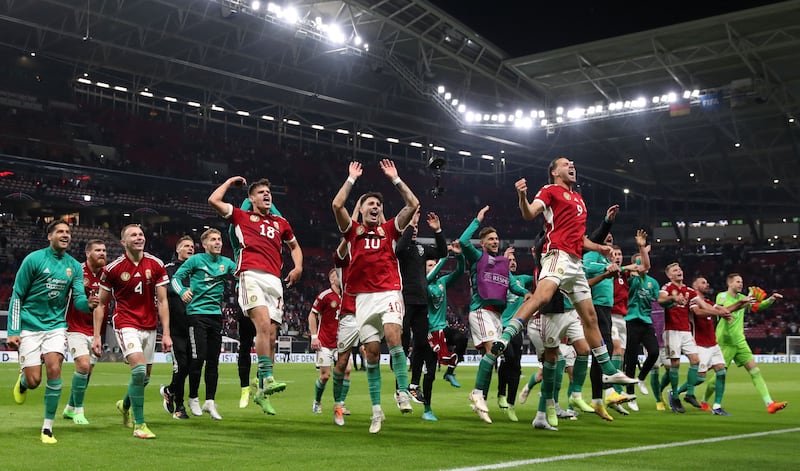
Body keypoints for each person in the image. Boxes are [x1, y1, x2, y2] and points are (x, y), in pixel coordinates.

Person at [493, 158, 637, 391]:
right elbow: (530, 213)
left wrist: (599, 247)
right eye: (566, 164)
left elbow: (579, 239)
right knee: (543, 296)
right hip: (557, 254)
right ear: (554, 171)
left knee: (590, 317)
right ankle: (506, 335)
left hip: (575, 262)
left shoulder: (579, 200)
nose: (572, 166)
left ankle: (609, 371)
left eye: (573, 164)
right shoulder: (550, 190)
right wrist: (522, 196)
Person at [331, 159, 419, 434]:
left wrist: (395, 178)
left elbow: (413, 204)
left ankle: (403, 392)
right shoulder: (353, 232)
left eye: (378, 205)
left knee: (394, 336)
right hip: (363, 300)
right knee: (371, 354)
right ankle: (376, 411)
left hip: (389, 292)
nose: (375, 207)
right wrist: (351, 179)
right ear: (361, 209)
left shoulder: (390, 230)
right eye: (370, 204)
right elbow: (337, 206)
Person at [209, 176, 303, 415]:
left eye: (268, 192)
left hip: (274, 279)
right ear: (251, 199)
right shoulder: (241, 217)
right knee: (261, 324)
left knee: (271, 336)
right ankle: (269, 378)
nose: (266, 195)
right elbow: (214, 200)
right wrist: (230, 182)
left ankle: (260, 390)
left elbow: (294, 246)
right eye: (260, 192)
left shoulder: (280, 222)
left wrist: (298, 267)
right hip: (250, 274)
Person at [8, 220, 99, 443]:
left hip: (56, 326)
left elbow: (77, 298)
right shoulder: (34, 259)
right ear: (50, 236)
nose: (65, 235)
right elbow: (17, 295)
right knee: (34, 381)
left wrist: (86, 304)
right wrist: (13, 329)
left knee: (54, 368)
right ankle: (23, 381)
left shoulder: (74, 267)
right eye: (60, 231)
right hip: (30, 325)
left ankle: (47, 427)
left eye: (68, 232)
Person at [91, 224, 172, 439]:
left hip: (150, 324)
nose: (139, 238)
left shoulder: (156, 264)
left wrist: (166, 333)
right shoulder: (113, 269)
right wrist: (97, 335)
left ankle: (124, 404)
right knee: (137, 371)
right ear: (123, 242)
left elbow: (163, 301)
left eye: (141, 234)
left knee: (144, 378)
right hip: (125, 322)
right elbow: (101, 304)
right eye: (133, 235)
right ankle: (140, 425)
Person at [459, 205, 529, 424]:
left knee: (491, 356)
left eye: (496, 238)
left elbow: (514, 285)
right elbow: (462, 242)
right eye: (490, 239)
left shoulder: (502, 264)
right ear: (483, 243)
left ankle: (480, 398)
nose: (495, 241)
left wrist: (526, 294)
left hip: (497, 317)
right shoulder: (477, 257)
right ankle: (478, 393)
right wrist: (477, 220)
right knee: (492, 350)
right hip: (481, 311)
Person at [171, 228, 236, 420]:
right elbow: (175, 278)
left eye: (219, 239)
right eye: (213, 240)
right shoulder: (196, 260)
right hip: (196, 315)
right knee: (198, 358)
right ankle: (193, 398)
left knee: (213, 362)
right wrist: (182, 291)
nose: (218, 242)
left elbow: (242, 275)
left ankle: (210, 402)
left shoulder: (227, 263)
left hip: (216, 316)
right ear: (205, 244)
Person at [710, 273, 786, 414]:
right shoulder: (722, 296)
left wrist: (771, 300)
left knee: (755, 370)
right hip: (725, 342)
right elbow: (724, 309)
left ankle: (769, 403)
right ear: (730, 283)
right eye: (738, 281)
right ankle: (703, 401)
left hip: (739, 341)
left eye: (742, 281)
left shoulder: (742, 298)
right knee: (719, 375)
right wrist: (742, 302)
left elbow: (758, 307)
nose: (741, 284)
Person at [395, 209, 447, 405]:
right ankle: (399, 387)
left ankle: (414, 384)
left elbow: (442, 252)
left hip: (421, 302)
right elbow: (400, 250)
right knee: (403, 341)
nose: (415, 230)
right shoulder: (400, 248)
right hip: (404, 300)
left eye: (417, 227)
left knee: (422, 344)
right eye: (412, 227)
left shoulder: (421, 249)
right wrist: (411, 223)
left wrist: (438, 230)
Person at [657, 262, 716, 413]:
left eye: (680, 269)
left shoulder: (689, 291)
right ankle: (675, 396)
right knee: (675, 363)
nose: (679, 271)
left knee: (695, 360)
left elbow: (702, 304)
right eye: (675, 270)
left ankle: (689, 394)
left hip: (686, 331)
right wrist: (673, 298)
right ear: (669, 275)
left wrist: (720, 312)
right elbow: (660, 300)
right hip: (672, 330)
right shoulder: (667, 288)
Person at [62, 239, 107, 425]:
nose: (102, 253)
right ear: (88, 253)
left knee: (87, 372)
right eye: (98, 250)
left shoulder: (108, 275)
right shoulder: (77, 271)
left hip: (96, 330)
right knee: (83, 365)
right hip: (75, 327)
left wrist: (98, 335)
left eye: (104, 250)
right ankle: (79, 411)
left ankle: (70, 408)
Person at [424, 241, 465, 421]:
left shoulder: (441, 282)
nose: (434, 268)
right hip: (429, 332)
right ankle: (427, 409)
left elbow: (459, 272)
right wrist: (444, 256)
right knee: (430, 373)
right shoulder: (423, 283)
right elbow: (429, 276)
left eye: (434, 264)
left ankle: (450, 372)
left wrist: (459, 256)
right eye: (430, 265)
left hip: (444, 327)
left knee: (462, 338)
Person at [621, 246, 660, 413]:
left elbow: (658, 298)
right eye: (638, 262)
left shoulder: (653, 282)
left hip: (645, 321)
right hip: (630, 320)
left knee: (654, 352)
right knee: (630, 359)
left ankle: (641, 378)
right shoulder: (630, 279)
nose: (641, 265)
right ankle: (630, 395)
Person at [159, 235, 194, 420]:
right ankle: (180, 407)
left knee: (191, 366)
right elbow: (166, 292)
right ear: (178, 249)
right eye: (186, 246)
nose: (190, 248)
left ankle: (169, 390)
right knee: (181, 366)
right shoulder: (168, 270)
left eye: (192, 246)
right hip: (176, 327)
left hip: (195, 326)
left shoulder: (197, 270)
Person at [685, 276, 731, 415]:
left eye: (707, 282)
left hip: (713, 343)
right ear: (695, 286)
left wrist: (742, 302)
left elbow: (726, 309)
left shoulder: (710, 303)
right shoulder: (692, 301)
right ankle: (676, 392)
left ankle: (717, 406)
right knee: (700, 378)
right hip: (699, 344)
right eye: (703, 282)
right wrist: (718, 312)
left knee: (721, 372)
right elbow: (698, 313)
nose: (707, 284)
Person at [496, 246, 532, 422]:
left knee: (516, 367)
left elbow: (540, 278)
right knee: (508, 358)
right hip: (501, 327)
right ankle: (501, 393)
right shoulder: (501, 280)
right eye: (509, 261)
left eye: (514, 261)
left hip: (517, 328)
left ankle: (510, 404)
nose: (512, 263)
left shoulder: (522, 280)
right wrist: (502, 260)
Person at [308, 268, 343, 415]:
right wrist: (314, 337)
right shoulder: (325, 296)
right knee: (325, 376)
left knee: (345, 372)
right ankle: (316, 401)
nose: (340, 277)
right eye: (336, 276)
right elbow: (312, 315)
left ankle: (341, 405)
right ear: (331, 280)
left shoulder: (348, 296)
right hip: (325, 343)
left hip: (342, 343)